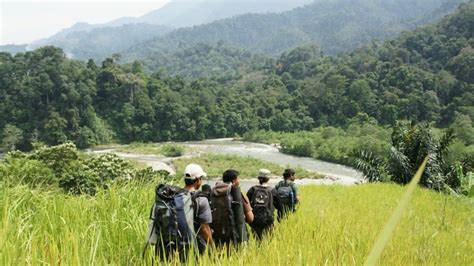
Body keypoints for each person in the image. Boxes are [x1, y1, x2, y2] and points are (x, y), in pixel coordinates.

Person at [210, 169, 253, 247]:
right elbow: (250, 218)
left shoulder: (213, 194)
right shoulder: (238, 195)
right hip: (236, 235)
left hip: (217, 235)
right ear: (234, 180)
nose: (239, 181)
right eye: (238, 179)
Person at [183, 163, 213, 254]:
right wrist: (212, 247)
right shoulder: (201, 199)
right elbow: (205, 228)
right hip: (192, 246)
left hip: (173, 242)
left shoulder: (174, 196)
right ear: (198, 180)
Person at [246, 169, 283, 240]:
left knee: (256, 241)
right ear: (268, 179)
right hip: (268, 220)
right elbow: (280, 207)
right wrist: (279, 219)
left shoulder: (252, 189)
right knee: (268, 242)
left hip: (255, 221)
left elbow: (246, 206)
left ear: (258, 178)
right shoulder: (273, 191)